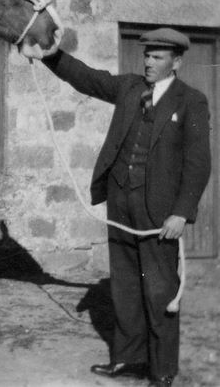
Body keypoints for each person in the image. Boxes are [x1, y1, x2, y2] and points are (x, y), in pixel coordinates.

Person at [38, 28, 212, 387]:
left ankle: (162, 369)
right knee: (125, 285)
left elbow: (198, 164)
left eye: (158, 57)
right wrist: (50, 55)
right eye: (147, 54)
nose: (148, 61)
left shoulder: (190, 101)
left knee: (160, 290)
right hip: (120, 203)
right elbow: (89, 79)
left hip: (160, 215)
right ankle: (128, 359)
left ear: (176, 62)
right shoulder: (130, 88)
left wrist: (181, 212)